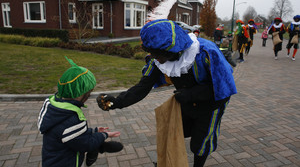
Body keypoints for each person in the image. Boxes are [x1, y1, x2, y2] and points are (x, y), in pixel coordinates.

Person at [97, 19, 237, 167]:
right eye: (152, 53)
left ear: (172, 50)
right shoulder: (158, 58)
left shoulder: (207, 53)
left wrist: (191, 94)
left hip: (212, 103)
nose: (155, 58)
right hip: (186, 100)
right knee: (172, 132)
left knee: (201, 141)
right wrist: (116, 102)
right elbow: (143, 87)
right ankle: (166, 162)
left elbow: (224, 88)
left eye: (157, 55)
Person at [37, 57, 123, 167]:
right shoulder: (71, 119)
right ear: (79, 94)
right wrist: (103, 135)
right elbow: (85, 144)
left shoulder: (57, 109)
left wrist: (93, 131)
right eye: (89, 92)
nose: (89, 95)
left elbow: (71, 135)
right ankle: (98, 148)